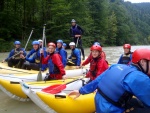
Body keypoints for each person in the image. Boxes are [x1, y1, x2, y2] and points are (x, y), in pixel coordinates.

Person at [69, 48, 150, 113]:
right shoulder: (140, 78)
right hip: (112, 109)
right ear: (142, 62)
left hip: (100, 106)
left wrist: (81, 91)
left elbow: (97, 81)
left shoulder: (115, 66)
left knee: (135, 102)